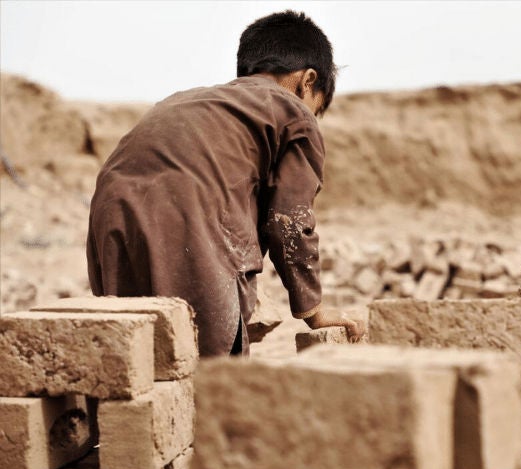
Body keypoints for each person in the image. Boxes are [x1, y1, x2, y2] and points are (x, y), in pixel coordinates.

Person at [86, 11, 365, 356]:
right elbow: (288, 220)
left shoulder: (189, 100)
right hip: (187, 216)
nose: (311, 113)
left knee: (133, 360)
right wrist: (312, 309)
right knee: (212, 375)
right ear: (308, 81)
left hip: (109, 217)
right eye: (315, 105)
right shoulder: (293, 112)